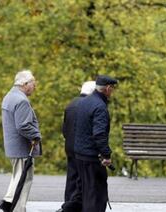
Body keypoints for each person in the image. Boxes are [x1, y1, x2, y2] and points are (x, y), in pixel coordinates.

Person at [0, 70, 42, 212]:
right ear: (24, 84)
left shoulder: (9, 96)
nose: (34, 87)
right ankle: (18, 208)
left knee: (18, 176)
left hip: (13, 147)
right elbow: (23, 126)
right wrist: (36, 135)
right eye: (33, 84)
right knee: (24, 179)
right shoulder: (21, 100)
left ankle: (8, 201)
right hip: (22, 148)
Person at [74, 75, 117, 212]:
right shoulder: (100, 107)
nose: (113, 92)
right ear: (108, 88)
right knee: (96, 197)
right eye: (113, 89)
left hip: (80, 155)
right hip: (92, 158)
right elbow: (99, 134)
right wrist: (107, 155)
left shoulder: (84, 102)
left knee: (87, 195)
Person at [57, 81, 96, 212]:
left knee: (72, 177)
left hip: (70, 146)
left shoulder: (70, 105)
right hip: (83, 149)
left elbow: (64, 129)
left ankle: (68, 203)